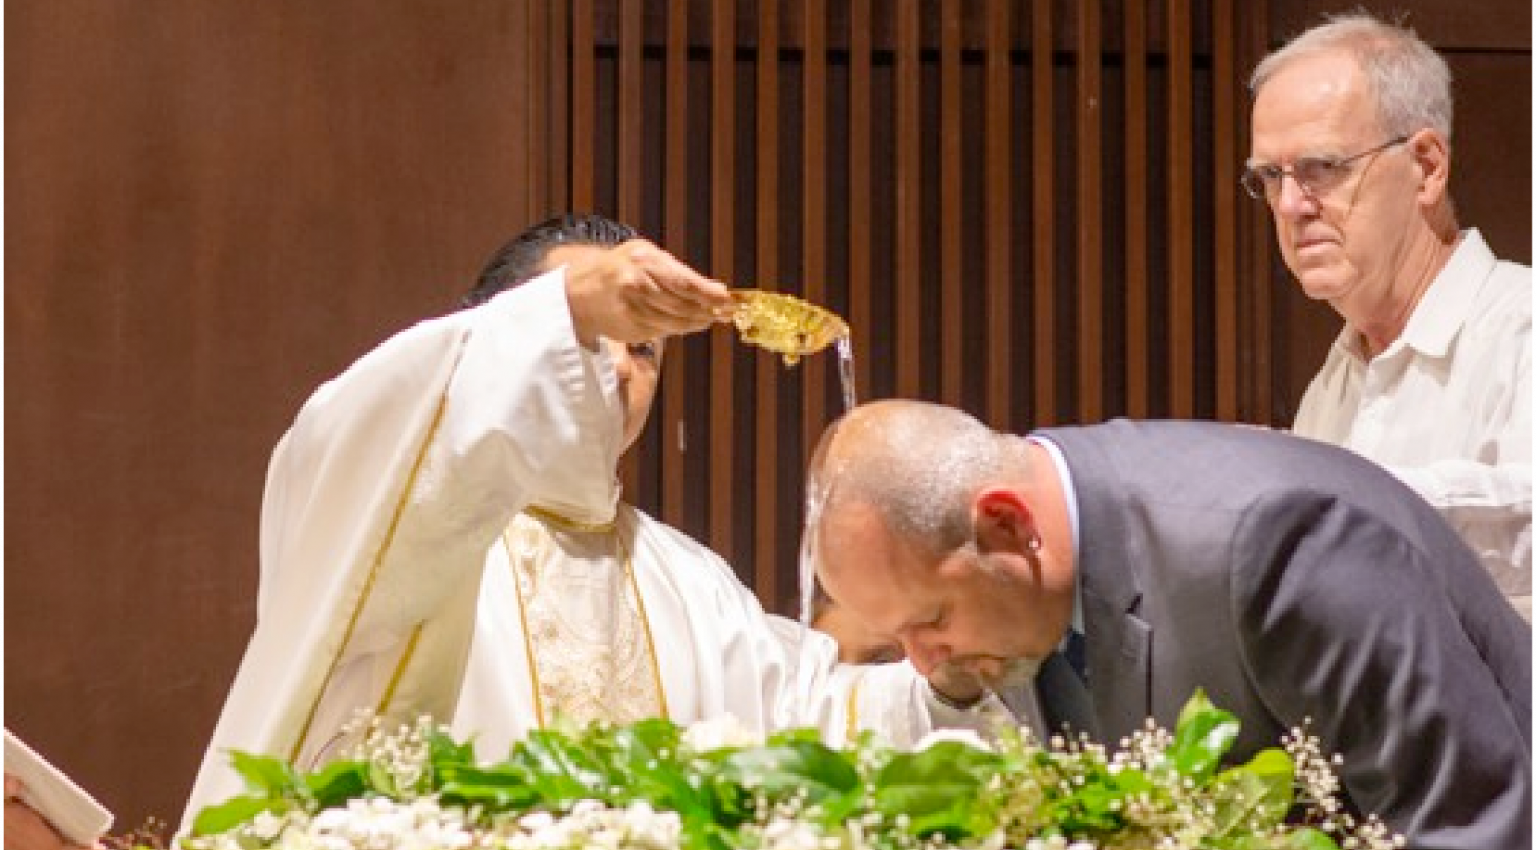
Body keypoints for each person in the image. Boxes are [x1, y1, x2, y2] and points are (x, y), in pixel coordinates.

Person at [181, 214, 982, 830]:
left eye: (645, 350)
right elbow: (361, 425)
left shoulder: (690, 581)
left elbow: (816, 727)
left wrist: (950, 676)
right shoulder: (398, 509)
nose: (621, 368)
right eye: (596, 337)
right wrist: (566, 305)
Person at [804, 399, 1534, 850]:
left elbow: (1472, 826)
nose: (925, 663)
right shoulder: (1020, 597)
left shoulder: (1277, 542)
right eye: (897, 637)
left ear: (1007, 524)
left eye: (932, 620)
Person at [1245, 12, 1533, 620]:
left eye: (1322, 167)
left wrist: (1334, 499)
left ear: (1426, 166)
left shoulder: (1520, 326)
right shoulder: (1330, 389)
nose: (1291, 205)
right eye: (1271, 176)